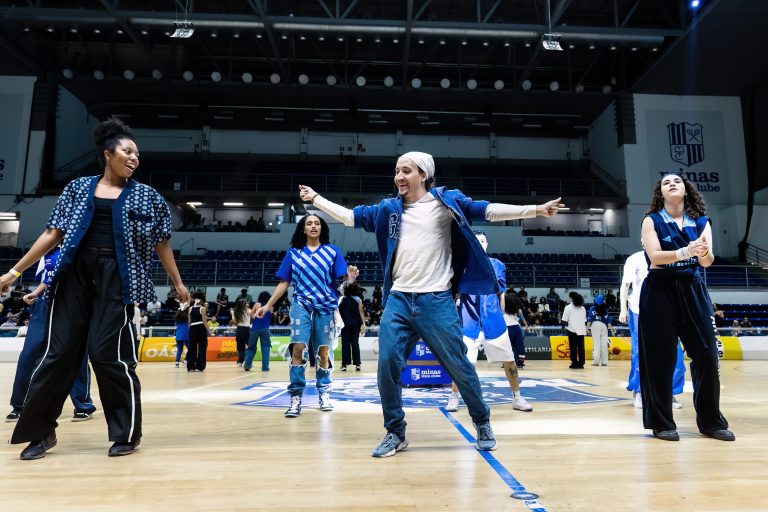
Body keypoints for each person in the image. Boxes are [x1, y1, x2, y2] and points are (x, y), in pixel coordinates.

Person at [299, 150, 563, 457]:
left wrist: (536, 210)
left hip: (436, 300)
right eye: (397, 171)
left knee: (459, 366)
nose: (399, 176)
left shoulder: (446, 202)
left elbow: (488, 211)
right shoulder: (388, 209)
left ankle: (482, 422)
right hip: (398, 300)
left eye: (406, 171)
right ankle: (395, 432)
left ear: (424, 175)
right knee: (387, 364)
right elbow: (348, 217)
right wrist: (316, 199)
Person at [0, 117, 189, 460]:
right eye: (127, 151)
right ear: (107, 153)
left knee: (109, 356)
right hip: (72, 277)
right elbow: (52, 234)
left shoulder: (148, 197)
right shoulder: (76, 189)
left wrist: (177, 282)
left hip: (119, 279)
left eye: (137, 154)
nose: (134, 158)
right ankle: (40, 433)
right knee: (57, 355)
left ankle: (126, 434)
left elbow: (162, 243)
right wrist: (14, 272)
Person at [638, 172, 733, 442]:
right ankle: (661, 423)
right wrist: (685, 251)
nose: (672, 184)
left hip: (692, 287)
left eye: (677, 181)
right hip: (659, 289)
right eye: (666, 182)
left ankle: (711, 422)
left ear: (686, 189)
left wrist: (702, 252)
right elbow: (655, 257)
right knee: (659, 360)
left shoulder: (701, 221)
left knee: (707, 355)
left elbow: (707, 262)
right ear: (661, 193)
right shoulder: (651, 220)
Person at [255, 215, 352, 418]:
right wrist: (268, 305)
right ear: (303, 228)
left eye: (317, 223)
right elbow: (284, 282)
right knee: (298, 347)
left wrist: (350, 278)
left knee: (323, 351)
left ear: (322, 228)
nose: (313, 226)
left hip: (325, 305)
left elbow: (343, 281)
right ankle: (296, 396)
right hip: (301, 304)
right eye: (309, 223)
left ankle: (324, 392)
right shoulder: (294, 253)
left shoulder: (332, 251)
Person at [6, 248, 97, 423]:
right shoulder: (47, 252)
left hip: (74, 303)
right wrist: (35, 293)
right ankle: (20, 406)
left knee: (76, 355)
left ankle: (83, 405)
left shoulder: (83, 248)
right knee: (29, 355)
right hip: (45, 304)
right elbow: (47, 279)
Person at [447, 231, 532, 413]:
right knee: (461, 364)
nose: (481, 244)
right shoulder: (460, 264)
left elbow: (498, 288)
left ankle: (517, 397)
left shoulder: (497, 265)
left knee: (509, 360)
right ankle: (454, 396)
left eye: (483, 241)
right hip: (468, 323)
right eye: (477, 241)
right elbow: (456, 289)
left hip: (494, 323)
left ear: (487, 244)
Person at [619, 248, 686, 409]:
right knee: (640, 352)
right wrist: (623, 309)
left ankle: (668, 392)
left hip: (665, 309)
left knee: (675, 353)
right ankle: (640, 391)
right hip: (638, 310)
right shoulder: (634, 259)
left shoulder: (670, 257)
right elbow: (625, 286)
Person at [338, 282, 366, 372]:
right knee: (355, 343)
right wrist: (363, 323)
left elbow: (338, 312)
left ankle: (344, 365)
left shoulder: (342, 298)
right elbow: (361, 311)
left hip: (345, 324)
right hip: (356, 323)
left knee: (345, 344)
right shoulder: (358, 299)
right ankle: (358, 365)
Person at [244, 292, 273, 372]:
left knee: (251, 348)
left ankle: (247, 366)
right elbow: (269, 317)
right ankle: (265, 367)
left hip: (255, 328)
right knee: (266, 348)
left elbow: (250, 314)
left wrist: (254, 316)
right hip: (265, 329)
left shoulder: (257, 304)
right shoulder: (270, 306)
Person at [562, 292, 587, 369]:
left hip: (572, 330)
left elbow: (564, 320)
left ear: (571, 298)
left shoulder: (568, 307)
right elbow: (584, 320)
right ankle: (581, 363)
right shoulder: (582, 308)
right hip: (581, 330)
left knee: (573, 348)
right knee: (581, 348)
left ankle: (574, 363)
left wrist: (563, 328)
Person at [187, 292, 210, 372]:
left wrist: (189, 331)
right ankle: (200, 366)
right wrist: (210, 332)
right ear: (201, 300)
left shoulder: (190, 309)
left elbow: (189, 322)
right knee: (202, 348)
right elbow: (204, 321)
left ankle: (190, 366)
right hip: (200, 328)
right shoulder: (203, 308)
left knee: (192, 348)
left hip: (192, 328)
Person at [587, 295, 613, 366]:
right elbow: (608, 321)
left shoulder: (592, 308)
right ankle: (604, 362)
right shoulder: (605, 309)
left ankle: (596, 361)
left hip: (595, 325)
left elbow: (589, 319)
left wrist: (587, 328)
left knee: (596, 344)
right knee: (604, 344)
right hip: (604, 326)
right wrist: (611, 330)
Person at [230, 298, 250, 367]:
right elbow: (254, 316)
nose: (247, 304)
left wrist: (232, 313)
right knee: (250, 346)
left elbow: (234, 321)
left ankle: (240, 362)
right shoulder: (248, 310)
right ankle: (249, 362)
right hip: (246, 330)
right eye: (246, 303)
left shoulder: (236, 311)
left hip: (239, 330)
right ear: (244, 305)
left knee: (240, 347)